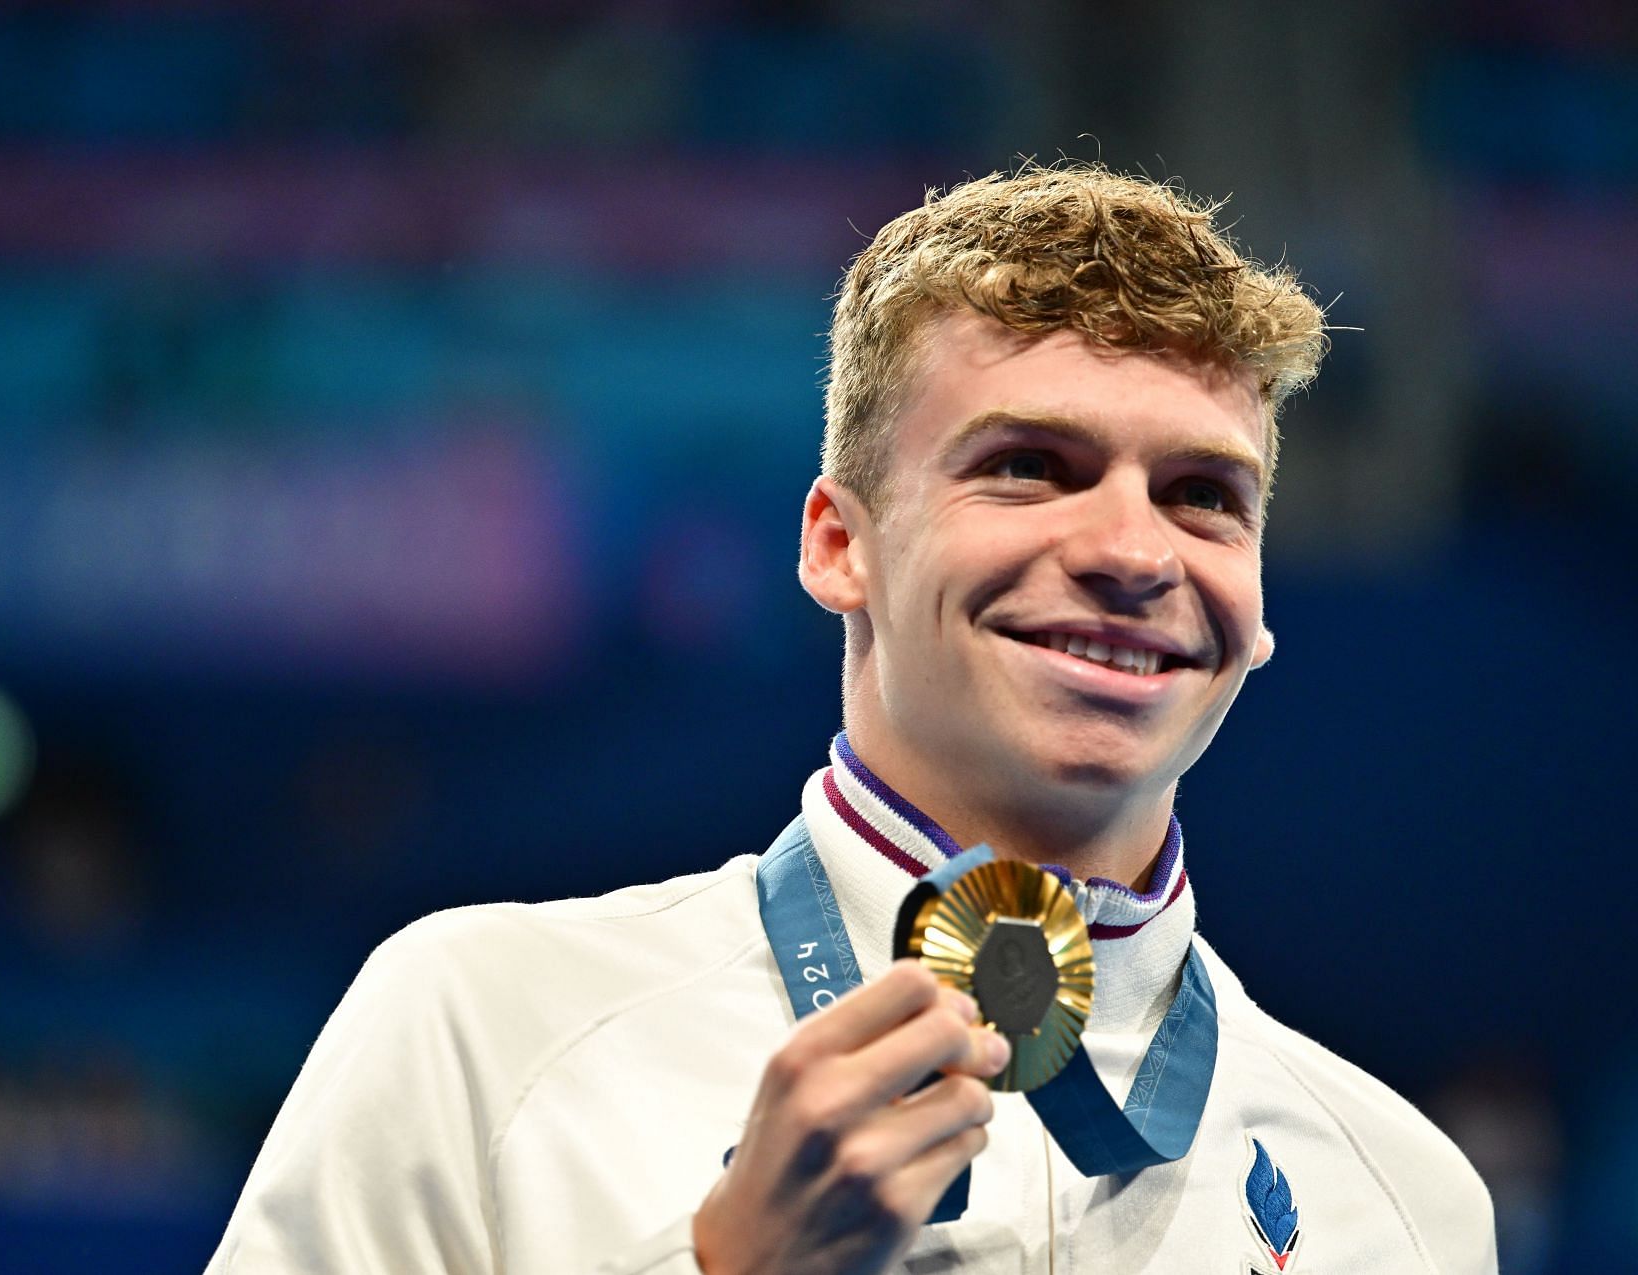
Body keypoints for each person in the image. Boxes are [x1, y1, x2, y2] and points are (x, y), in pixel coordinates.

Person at [206, 164, 1496, 1274]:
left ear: (1260, 605)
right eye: (1028, 468)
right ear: (839, 546)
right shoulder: (484, 1030)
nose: (1130, 551)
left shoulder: (1405, 1204)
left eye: (1204, 496)